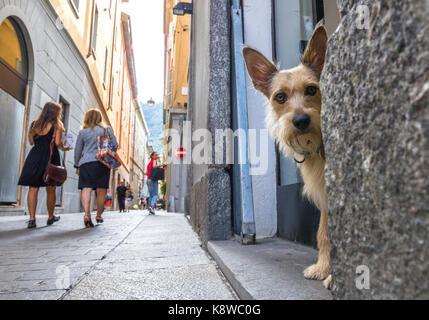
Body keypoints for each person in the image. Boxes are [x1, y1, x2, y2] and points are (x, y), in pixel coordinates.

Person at [18, 102, 69, 229]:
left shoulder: (34, 124)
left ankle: (32, 219)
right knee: (50, 188)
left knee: (33, 188)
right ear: (55, 113)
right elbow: (57, 143)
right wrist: (65, 147)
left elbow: (31, 142)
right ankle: (51, 217)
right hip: (50, 158)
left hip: (34, 157)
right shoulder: (57, 125)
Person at [74, 108, 118, 228]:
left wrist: (77, 164)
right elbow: (115, 145)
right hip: (102, 162)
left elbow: (78, 151)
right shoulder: (106, 129)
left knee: (86, 188)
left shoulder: (83, 132)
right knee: (101, 189)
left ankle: (87, 214)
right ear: (100, 118)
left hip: (86, 162)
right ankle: (98, 215)